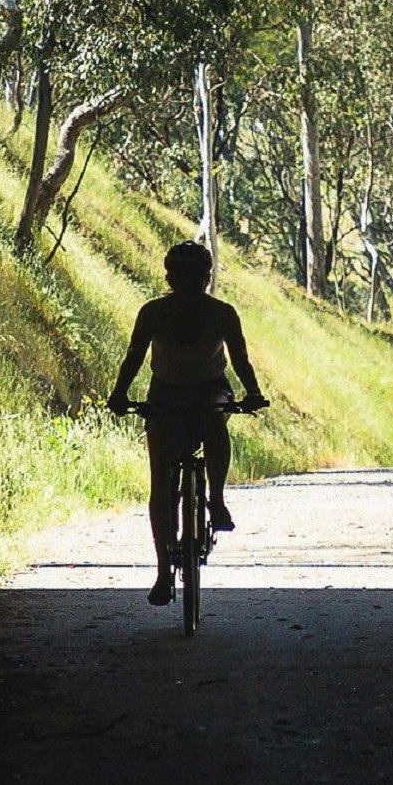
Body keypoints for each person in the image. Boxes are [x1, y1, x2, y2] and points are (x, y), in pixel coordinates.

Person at [108, 241, 268, 606]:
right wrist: (119, 394)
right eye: (183, 276)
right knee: (160, 486)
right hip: (165, 394)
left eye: (197, 276)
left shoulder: (223, 314)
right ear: (170, 278)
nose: (190, 283)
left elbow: (240, 359)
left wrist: (253, 392)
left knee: (215, 418)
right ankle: (164, 573)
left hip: (211, 390)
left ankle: (215, 498)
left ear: (206, 277)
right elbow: (133, 357)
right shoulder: (152, 313)